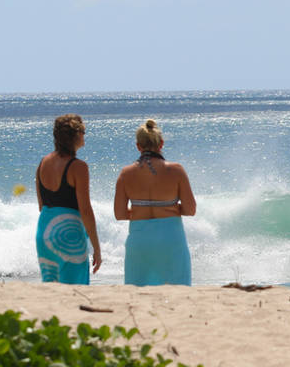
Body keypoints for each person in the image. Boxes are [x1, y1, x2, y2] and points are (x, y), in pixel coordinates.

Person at [114, 119, 196, 285]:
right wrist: (169, 208)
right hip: (170, 239)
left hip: (139, 240)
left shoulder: (126, 173)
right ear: (161, 143)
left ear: (138, 146)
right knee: (177, 292)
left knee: (138, 293)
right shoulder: (176, 170)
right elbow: (190, 210)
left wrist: (140, 210)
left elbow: (120, 214)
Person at [35, 114, 102, 284]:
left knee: (51, 291)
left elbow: (41, 205)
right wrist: (97, 248)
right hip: (68, 235)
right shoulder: (78, 167)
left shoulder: (43, 163)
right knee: (74, 292)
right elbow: (85, 210)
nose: (85, 136)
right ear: (75, 135)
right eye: (83, 132)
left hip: (44, 233)